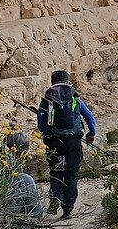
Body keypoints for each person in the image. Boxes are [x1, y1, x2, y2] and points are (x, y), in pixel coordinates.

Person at [36, 70, 96, 219]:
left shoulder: (47, 98)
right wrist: (91, 133)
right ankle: (68, 208)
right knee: (72, 173)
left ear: (52, 81)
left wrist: (48, 134)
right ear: (67, 80)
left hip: (54, 142)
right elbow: (89, 116)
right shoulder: (74, 96)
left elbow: (40, 123)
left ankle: (55, 198)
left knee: (56, 171)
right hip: (73, 141)